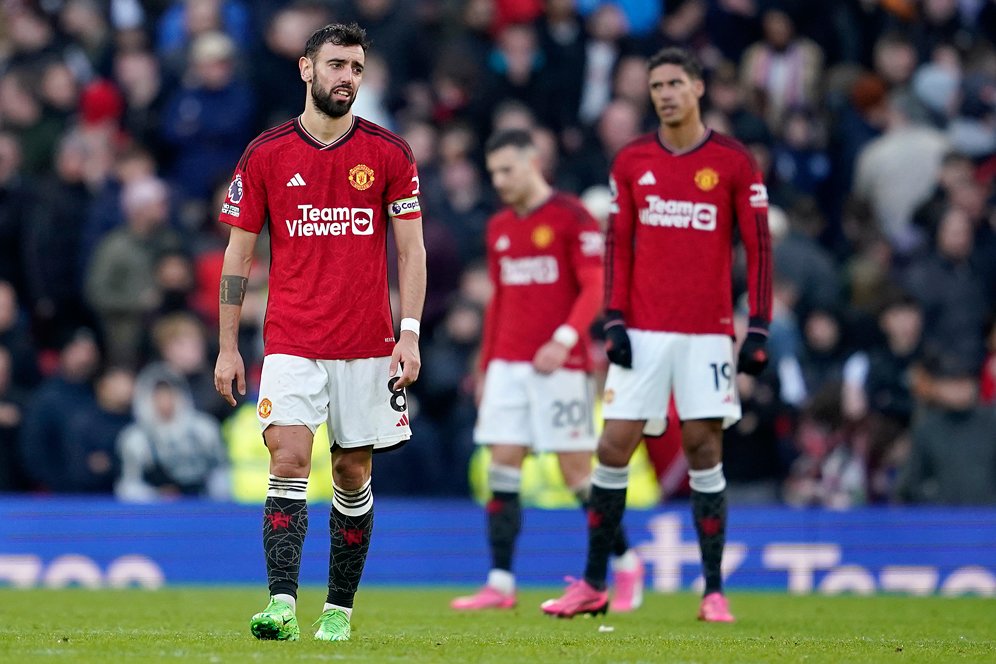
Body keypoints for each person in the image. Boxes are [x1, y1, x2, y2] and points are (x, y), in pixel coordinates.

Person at [541, 47, 772, 622]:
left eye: (675, 83)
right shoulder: (632, 160)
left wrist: (759, 324)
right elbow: (617, 242)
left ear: (698, 88)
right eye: (656, 86)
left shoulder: (733, 161)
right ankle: (596, 582)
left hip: (707, 334)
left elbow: (760, 247)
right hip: (641, 331)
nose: (665, 94)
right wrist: (614, 318)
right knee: (612, 445)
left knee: (703, 449)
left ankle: (713, 590)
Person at [213, 23, 425, 643]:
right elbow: (237, 257)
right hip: (291, 339)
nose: (347, 79)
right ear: (306, 69)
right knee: (289, 458)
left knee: (353, 472)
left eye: (356, 68)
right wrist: (228, 346)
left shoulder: (390, 153)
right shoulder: (267, 154)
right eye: (336, 65)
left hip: (367, 344)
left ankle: (338, 610)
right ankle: (281, 603)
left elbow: (411, 253)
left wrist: (407, 333)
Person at [450, 129, 643, 613]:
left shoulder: (570, 216)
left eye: (507, 169)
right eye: (493, 172)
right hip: (508, 366)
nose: (499, 180)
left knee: (576, 471)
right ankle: (500, 584)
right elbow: (500, 300)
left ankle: (625, 563)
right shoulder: (498, 227)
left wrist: (563, 340)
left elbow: (595, 286)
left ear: (533, 162)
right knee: (502, 467)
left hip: (561, 367)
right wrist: (486, 364)